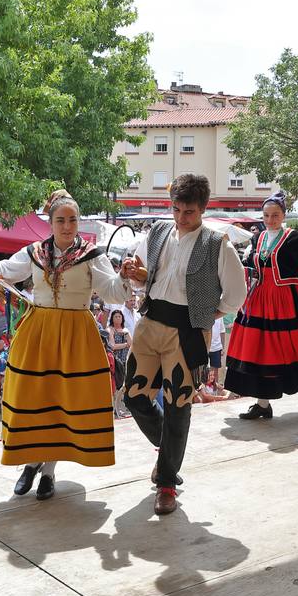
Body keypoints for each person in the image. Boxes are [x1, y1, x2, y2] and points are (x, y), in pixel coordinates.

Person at [0, 190, 134, 503]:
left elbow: (113, 293)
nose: (67, 226)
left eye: (72, 220)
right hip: (39, 332)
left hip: (77, 335)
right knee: (33, 400)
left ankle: (48, 471)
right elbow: (3, 269)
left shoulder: (93, 255)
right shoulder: (34, 252)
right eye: (61, 220)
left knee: (65, 404)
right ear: (50, 223)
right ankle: (31, 461)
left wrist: (125, 276)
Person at [118, 176, 246, 514]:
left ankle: (167, 484)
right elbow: (151, 274)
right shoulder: (158, 231)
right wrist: (135, 271)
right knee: (133, 396)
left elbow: (236, 297)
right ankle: (168, 454)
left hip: (187, 330)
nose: (180, 217)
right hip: (150, 321)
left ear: (203, 208)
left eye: (188, 211)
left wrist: (204, 315)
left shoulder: (219, 243)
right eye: (176, 209)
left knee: (178, 404)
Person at [225, 192, 298, 420]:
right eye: (266, 215)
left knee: (290, 344)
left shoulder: (294, 238)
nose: (270, 220)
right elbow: (250, 265)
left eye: (275, 215)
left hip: (284, 297)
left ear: (283, 215)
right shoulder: (257, 238)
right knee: (259, 350)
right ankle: (262, 403)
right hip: (259, 297)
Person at [106, 310, 132, 419]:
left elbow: (131, 343)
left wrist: (126, 335)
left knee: (124, 385)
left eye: (119, 316)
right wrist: (125, 344)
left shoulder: (125, 330)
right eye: (116, 316)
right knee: (117, 385)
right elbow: (113, 346)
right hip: (115, 361)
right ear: (112, 318)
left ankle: (123, 408)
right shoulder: (109, 329)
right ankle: (116, 410)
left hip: (125, 360)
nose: (118, 318)